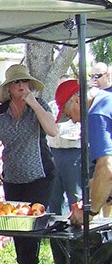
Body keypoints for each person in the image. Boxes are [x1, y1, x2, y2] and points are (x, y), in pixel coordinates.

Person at [0, 65, 57, 264]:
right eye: (16, 83)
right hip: (13, 176)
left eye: (25, 82)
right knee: (17, 227)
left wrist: (34, 104)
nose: (21, 86)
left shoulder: (41, 105)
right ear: (8, 88)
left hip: (40, 174)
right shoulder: (1, 112)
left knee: (32, 224)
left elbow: (53, 130)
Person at [54, 79, 112, 226]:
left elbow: (106, 168)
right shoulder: (106, 100)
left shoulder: (97, 114)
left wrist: (90, 212)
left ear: (77, 100)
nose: (72, 121)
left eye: (68, 115)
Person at [47, 77, 83, 215]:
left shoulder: (88, 109)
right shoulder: (52, 105)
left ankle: (78, 226)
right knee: (54, 197)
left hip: (74, 152)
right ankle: (57, 229)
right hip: (55, 151)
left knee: (75, 195)